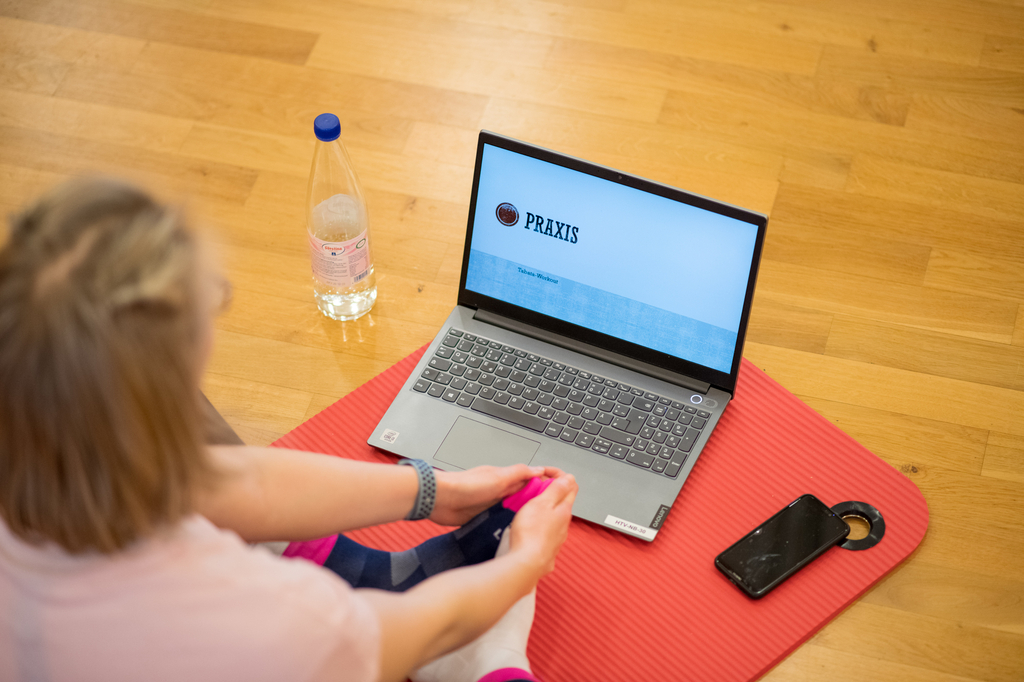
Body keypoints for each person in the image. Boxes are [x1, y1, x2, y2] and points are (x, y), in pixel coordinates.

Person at [0, 177, 578, 682]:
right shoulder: (270, 619)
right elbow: (392, 638)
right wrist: (523, 565)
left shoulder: (56, 435)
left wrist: (433, 491)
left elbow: (225, 480)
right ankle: (491, 662)